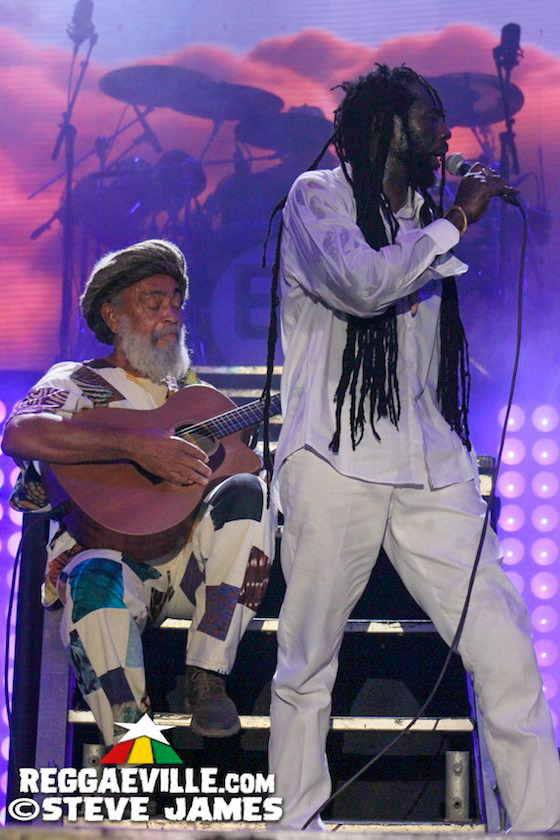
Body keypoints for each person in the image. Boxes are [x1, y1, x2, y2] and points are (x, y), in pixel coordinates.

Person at [267, 65, 560, 831]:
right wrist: (456, 221)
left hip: (430, 466)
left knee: (503, 644)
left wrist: (448, 219)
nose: (445, 134)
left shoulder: (428, 216)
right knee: (308, 659)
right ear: (384, 127)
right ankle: (294, 823)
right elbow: (364, 284)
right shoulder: (317, 199)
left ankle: (537, 823)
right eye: (429, 118)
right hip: (333, 460)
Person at [2, 239, 271, 746]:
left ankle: (208, 675)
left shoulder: (194, 399)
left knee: (249, 488)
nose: (171, 313)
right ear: (113, 314)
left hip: (194, 571)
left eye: (176, 301)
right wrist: (139, 447)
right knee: (94, 581)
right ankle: (137, 752)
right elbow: (21, 433)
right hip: (110, 560)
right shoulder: (82, 381)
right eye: (154, 301)